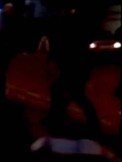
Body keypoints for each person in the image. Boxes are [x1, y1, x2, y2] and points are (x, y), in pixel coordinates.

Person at [41, 5, 100, 135]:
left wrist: (54, 58)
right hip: (73, 65)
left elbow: (63, 45)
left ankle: (91, 122)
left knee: (71, 93)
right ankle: (57, 117)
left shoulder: (71, 25)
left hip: (73, 65)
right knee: (64, 92)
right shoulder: (73, 24)